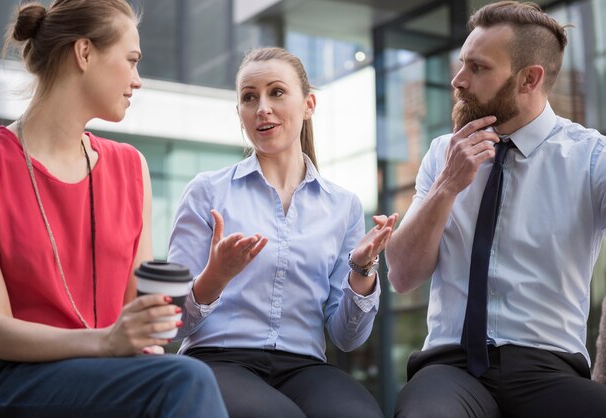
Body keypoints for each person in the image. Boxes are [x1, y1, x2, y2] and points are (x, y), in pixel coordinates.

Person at [0, 1, 228, 417]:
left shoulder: (131, 167)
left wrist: (204, 284)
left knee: (186, 377)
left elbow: (140, 313)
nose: (138, 80)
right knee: (187, 379)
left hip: (110, 374)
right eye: (131, 61)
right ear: (84, 53)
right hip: (13, 379)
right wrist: (107, 341)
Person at [385, 1, 606, 417]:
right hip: (450, 368)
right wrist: (448, 186)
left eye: (478, 68)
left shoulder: (592, 158)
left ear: (529, 79)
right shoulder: (441, 155)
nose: (458, 80)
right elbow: (401, 275)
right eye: (461, 64)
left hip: (549, 367)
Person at [168, 46, 398, 418]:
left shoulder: (344, 206)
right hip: (217, 359)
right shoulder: (207, 191)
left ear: (309, 105)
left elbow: (347, 338)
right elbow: (174, 324)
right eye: (249, 97)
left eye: (276, 92)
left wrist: (361, 271)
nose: (262, 108)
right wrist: (216, 276)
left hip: (304, 365)